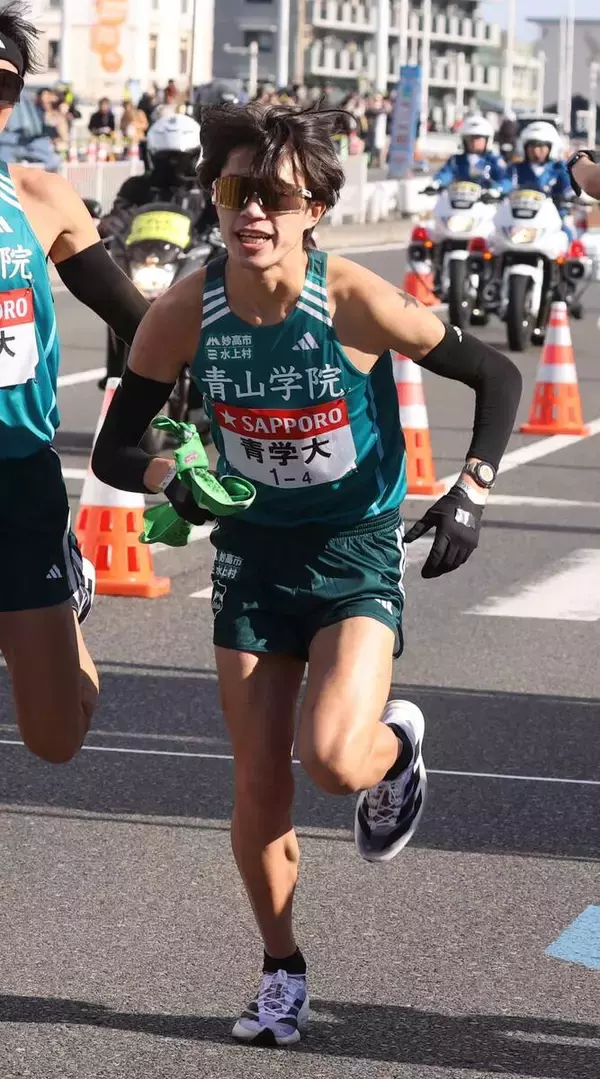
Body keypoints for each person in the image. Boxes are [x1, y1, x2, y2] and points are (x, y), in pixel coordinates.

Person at [91, 102, 522, 1047]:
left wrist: (472, 490)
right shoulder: (187, 307)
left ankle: (395, 750)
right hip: (253, 559)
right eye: (236, 190)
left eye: (274, 196)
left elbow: (496, 376)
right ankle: (281, 969)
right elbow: (118, 448)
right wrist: (177, 476)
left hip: (352, 549)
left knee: (332, 759)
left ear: (314, 207)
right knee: (259, 782)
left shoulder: (354, 298)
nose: (251, 211)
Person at [0, 2, 150, 765]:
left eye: (1, 86)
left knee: (55, 738)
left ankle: (69, 582)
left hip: (19, 483)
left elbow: (141, 319)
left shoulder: (42, 197)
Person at [512, 121, 575, 240]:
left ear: (551, 148)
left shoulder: (560, 167)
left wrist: (573, 196)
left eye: (541, 146)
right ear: (524, 148)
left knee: (568, 234)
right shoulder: (516, 168)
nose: (536, 151)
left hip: (554, 217)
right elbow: (506, 183)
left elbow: (569, 187)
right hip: (520, 217)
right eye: (532, 146)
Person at [426, 115, 511, 196]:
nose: (474, 142)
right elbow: (446, 173)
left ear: (488, 140)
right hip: (457, 201)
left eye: (478, 138)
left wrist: (496, 190)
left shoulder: (494, 160)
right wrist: (437, 183)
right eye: (470, 138)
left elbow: (506, 179)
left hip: (486, 205)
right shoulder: (456, 160)